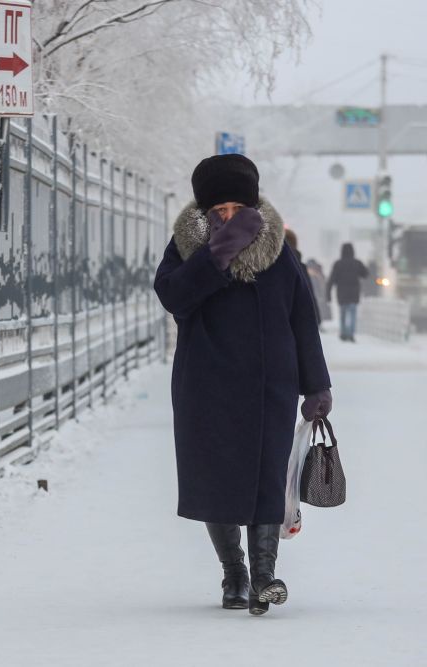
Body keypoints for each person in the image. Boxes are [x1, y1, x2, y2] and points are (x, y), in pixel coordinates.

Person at [153, 154, 332, 616]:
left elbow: (302, 320)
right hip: (206, 384)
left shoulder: (277, 251)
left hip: (269, 384)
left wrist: (317, 385)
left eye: (238, 209)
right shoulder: (187, 246)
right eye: (220, 212)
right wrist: (216, 255)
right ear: (205, 214)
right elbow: (173, 296)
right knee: (217, 479)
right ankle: (235, 573)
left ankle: (265, 577)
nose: (230, 218)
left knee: (267, 478)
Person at [326, 243, 369, 341]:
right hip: (354, 294)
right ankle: (351, 334)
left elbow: (331, 280)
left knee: (343, 315)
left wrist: (328, 295)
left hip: (342, 294)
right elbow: (365, 274)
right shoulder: (357, 263)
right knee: (353, 315)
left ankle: (343, 333)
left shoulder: (338, 264)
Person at [284, 228, 321, 327]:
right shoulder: (300, 267)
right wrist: (316, 316)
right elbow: (309, 294)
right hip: (296, 321)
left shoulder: (267, 267)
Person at [306, 259, 331, 324]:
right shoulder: (318, 274)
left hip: (316, 294)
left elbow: (322, 285)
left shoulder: (317, 275)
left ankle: (318, 322)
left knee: (317, 309)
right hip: (315, 294)